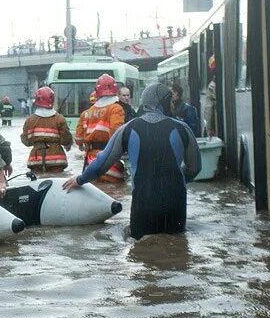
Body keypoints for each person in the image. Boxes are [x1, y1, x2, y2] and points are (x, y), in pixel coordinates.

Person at [63, 83, 201, 240]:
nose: (172, 104)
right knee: (177, 249)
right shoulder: (183, 129)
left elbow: (102, 163)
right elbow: (195, 167)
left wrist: (80, 179)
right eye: (170, 101)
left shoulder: (128, 129)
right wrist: (177, 180)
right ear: (162, 102)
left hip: (143, 205)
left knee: (141, 252)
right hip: (175, 205)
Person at [79, 74, 126, 182]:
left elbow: (79, 139)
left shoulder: (88, 112)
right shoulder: (116, 108)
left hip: (90, 162)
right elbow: (117, 135)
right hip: (109, 160)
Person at [21, 87, 73, 172]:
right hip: (57, 160)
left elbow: (27, 142)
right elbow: (66, 139)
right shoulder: (59, 118)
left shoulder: (30, 120)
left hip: (36, 160)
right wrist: (68, 145)